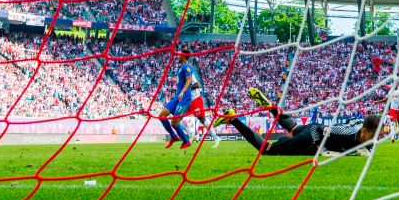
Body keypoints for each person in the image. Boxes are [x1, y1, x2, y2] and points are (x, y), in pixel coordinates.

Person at [218, 87, 381, 157]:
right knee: (266, 150)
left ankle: (269, 106)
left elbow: (355, 122)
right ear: (365, 131)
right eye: (374, 136)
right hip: (314, 135)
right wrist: (322, 149)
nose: (376, 140)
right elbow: (325, 132)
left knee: (294, 126)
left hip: (314, 128)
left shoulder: (362, 130)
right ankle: (233, 119)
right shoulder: (348, 133)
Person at [156, 50, 196, 149]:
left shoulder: (187, 66)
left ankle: (186, 141)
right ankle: (174, 137)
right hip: (177, 98)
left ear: (183, 56)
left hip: (184, 99)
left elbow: (189, 80)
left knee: (174, 123)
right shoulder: (181, 67)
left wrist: (182, 92)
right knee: (162, 116)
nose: (177, 55)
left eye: (179, 54)